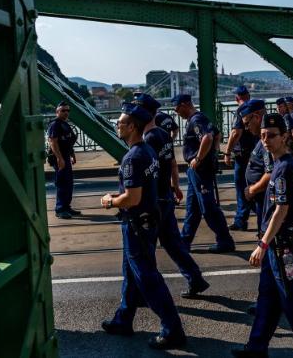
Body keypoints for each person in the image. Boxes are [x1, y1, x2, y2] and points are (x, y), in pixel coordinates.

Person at [232, 113, 293, 358]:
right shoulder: (279, 165)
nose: (266, 140)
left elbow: (281, 210)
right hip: (276, 243)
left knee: (292, 301)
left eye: (272, 136)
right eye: (263, 135)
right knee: (268, 299)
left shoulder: (284, 168)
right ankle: (256, 348)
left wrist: (262, 244)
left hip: (280, 245)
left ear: (285, 136)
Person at [99, 104, 186, 350]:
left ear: (133, 127)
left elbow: (131, 198)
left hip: (137, 224)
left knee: (148, 278)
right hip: (148, 220)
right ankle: (123, 319)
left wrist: (109, 201)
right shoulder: (148, 151)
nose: (117, 126)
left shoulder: (132, 158)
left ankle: (173, 329)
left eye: (121, 123)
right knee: (130, 274)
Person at [132, 94, 210, 299]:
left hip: (153, 199)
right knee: (173, 244)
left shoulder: (147, 139)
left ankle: (144, 292)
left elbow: (148, 172)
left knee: (144, 249)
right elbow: (173, 163)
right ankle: (196, 279)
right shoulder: (163, 134)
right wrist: (175, 186)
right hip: (166, 196)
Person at [171, 94, 236, 253]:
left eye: (177, 108)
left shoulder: (196, 120)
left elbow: (207, 137)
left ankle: (225, 241)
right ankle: (184, 242)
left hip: (200, 170)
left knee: (208, 208)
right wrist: (214, 152)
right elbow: (216, 134)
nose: (176, 112)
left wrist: (199, 158)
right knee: (193, 209)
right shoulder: (199, 118)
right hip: (196, 170)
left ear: (185, 104)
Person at [225, 86, 257, 231]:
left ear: (236, 98)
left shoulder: (241, 110)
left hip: (242, 154)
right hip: (255, 152)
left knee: (241, 188)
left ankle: (241, 220)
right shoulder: (256, 108)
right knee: (254, 186)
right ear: (248, 95)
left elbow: (235, 133)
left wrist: (227, 152)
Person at [47, 101, 81, 219]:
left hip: (66, 156)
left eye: (68, 110)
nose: (66, 113)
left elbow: (68, 141)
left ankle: (67, 207)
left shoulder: (65, 124)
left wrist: (72, 155)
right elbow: (53, 142)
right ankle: (60, 209)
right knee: (62, 183)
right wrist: (59, 158)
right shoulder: (55, 125)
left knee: (68, 183)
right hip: (59, 158)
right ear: (57, 112)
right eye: (63, 110)